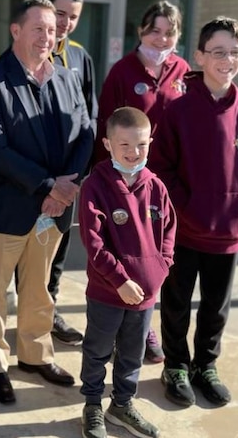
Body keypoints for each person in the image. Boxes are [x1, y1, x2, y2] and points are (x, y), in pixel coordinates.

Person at [0, 0, 93, 404]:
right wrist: (49, 187)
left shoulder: (66, 78)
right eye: (38, 28)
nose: (47, 36)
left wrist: (68, 186)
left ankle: (35, 356)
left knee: (40, 289)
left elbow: (86, 132)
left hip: (54, 209)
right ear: (16, 31)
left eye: (53, 29)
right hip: (7, 209)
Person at [150, 16, 238, 408]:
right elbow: (162, 167)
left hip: (228, 233)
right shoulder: (178, 110)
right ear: (200, 56)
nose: (227, 60)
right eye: (218, 52)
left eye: (234, 52)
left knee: (216, 308)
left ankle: (206, 365)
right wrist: (187, 210)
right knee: (177, 302)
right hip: (184, 231)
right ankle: (176, 366)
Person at [94, 0, 190, 364]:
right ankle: (126, 326)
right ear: (141, 31)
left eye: (170, 32)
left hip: (167, 183)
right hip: (128, 179)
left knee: (157, 254)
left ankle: (145, 323)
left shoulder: (183, 71)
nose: (162, 38)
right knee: (126, 252)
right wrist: (106, 181)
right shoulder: (123, 71)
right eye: (155, 30)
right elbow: (106, 125)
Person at [78, 107, 175, 438]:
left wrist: (161, 268)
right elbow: (94, 244)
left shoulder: (156, 187)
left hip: (146, 297)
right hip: (108, 293)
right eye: (125, 146)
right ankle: (92, 405)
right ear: (107, 144)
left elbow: (169, 234)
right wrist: (119, 281)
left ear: (151, 142)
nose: (134, 154)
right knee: (97, 350)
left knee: (132, 354)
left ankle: (122, 405)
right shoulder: (96, 186)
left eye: (142, 145)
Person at [44, 0, 98, 346]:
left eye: (73, 17)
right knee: (29, 251)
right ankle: (28, 313)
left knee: (59, 249)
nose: (65, 23)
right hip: (34, 178)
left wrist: (77, 176)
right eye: (60, 13)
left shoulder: (80, 57)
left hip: (70, 176)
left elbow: (90, 119)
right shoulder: (28, 50)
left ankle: (49, 311)